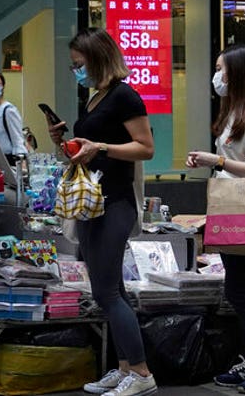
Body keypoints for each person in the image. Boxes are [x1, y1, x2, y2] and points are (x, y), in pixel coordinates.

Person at [49, 29, 158, 396]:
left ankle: (141, 374)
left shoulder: (125, 96)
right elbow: (90, 151)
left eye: (79, 64)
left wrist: (102, 146)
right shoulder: (97, 99)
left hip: (115, 202)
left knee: (107, 292)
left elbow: (146, 148)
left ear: (97, 59)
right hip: (92, 203)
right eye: (73, 66)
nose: (76, 71)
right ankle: (126, 366)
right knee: (111, 290)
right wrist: (66, 143)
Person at [185, 44, 245, 394]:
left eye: (221, 69)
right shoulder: (233, 113)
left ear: (238, 72)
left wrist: (217, 161)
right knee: (237, 288)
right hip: (230, 207)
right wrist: (213, 160)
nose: (217, 76)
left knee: (240, 289)